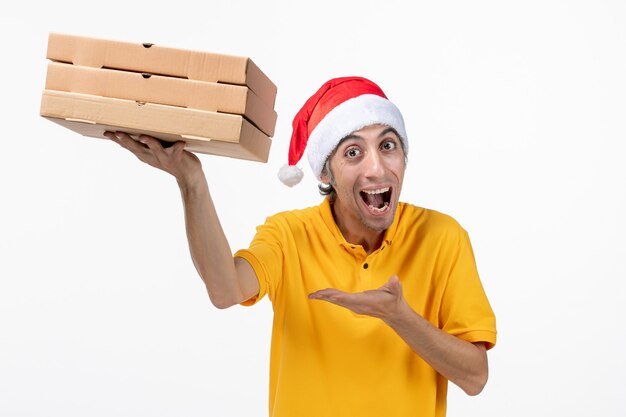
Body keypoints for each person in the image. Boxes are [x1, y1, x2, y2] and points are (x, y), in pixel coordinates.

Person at [104, 76, 497, 417]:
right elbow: (225, 290)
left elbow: (475, 376)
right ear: (325, 171)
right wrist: (191, 181)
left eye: (389, 146)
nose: (377, 168)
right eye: (354, 152)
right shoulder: (289, 235)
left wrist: (400, 316)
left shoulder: (443, 237)